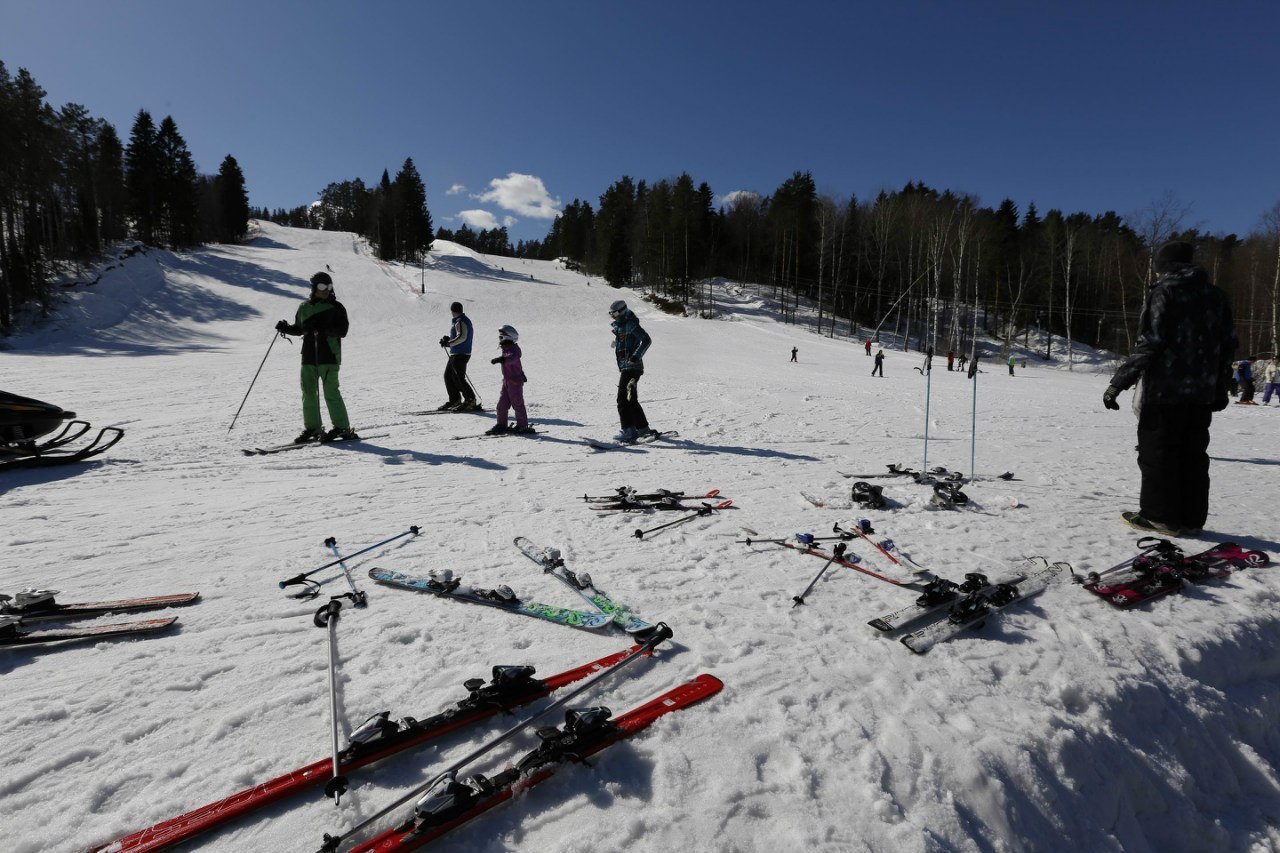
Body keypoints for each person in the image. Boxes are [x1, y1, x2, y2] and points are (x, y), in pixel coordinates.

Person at [1102, 240, 1236, 537]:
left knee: (1158, 454)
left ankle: (1158, 516)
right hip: (1200, 394)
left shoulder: (1166, 292)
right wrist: (1220, 387)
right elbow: (1228, 346)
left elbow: (1151, 342)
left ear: (1164, 267)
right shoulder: (1216, 296)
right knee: (1193, 457)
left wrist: (1118, 382)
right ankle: (1190, 520)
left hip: (1164, 391)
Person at [275, 272, 356, 443]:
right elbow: (299, 328)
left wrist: (324, 330)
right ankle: (313, 427)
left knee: (331, 392)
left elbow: (342, 331)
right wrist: (285, 328)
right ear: (313, 288)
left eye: (328, 286)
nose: (326, 290)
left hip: (329, 356)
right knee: (308, 392)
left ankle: (342, 427)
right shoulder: (304, 307)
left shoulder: (336, 308)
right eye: (321, 286)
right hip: (309, 356)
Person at [610, 299, 653, 442]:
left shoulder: (630, 323)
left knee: (623, 399)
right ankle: (637, 430)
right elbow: (628, 342)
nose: (613, 316)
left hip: (632, 367)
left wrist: (635, 356)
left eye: (615, 313)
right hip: (626, 367)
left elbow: (646, 340)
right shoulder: (621, 326)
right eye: (611, 313)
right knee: (629, 399)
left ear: (622, 311)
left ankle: (634, 430)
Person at [485, 326, 533, 435]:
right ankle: (501, 424)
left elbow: (513, 358)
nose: (499, 339)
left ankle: (522, 425)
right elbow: (516, 364)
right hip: (507, 381)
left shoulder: (514, 349)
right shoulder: (506, 348)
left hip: (514, 381)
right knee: (502, 405)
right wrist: (522, 373)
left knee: (517, 403)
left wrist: (502, 359)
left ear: (508, 337)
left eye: (501, 336)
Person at [438, 301, 479, 411]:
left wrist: (448, 343)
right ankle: (455, 399)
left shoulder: (461, 321)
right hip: (456, 353)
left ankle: (470, 400)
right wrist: (448, 340)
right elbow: (459, 336)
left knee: (458, 378)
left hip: (461, 353)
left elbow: (462, 337)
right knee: (448, 376)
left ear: (453, 311)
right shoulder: (459, 321)